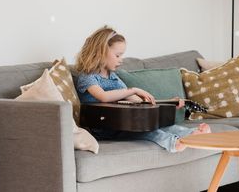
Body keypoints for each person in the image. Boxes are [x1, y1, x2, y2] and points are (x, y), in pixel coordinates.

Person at [75, 26, 211, 153]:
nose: (121, 60)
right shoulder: (87, 76)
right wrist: (133, 90)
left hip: (120, 123)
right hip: (102, 129)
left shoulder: (113, 77)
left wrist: (167, 103)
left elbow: (138, 102)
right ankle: (172, 143)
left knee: (156, 124)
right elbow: (103, 97)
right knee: (147, 130)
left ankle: (192, 134)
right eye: (118, 55)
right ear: (101, 52)